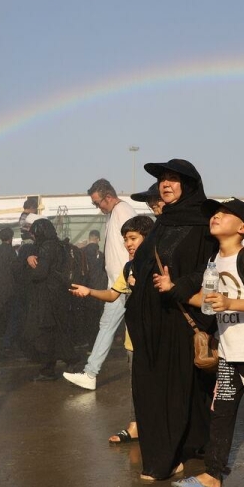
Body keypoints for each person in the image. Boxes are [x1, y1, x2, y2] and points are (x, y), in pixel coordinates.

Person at [171, 198, 244, 487]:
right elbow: (209, 302)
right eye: (215, 214)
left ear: (243, 227)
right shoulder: (213, 261)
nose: (216, 217)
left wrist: (230, 302)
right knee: (220, 414)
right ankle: (213, 474)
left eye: (224, 214)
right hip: (228, 353)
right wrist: (174, 290)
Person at [126, 158, 218, 480]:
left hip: (180, 318)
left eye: (172, 180)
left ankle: (166, 458)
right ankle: (186, 445)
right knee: (151, 387)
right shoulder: (163, 223)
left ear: (189, 185)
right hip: (150, 319)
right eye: (162, 179)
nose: (165, 184)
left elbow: (208, 268)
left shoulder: (203, 222)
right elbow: (140, 261)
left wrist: (177, 285)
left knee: (174, 389)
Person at [70, 215, 154, 443]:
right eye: (125, 239)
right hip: (133, 341)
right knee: (136, 388)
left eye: (133, 238)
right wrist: (90, 291)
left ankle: (163, 431)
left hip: (158, 341)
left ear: (149, 238)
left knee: (158, 388)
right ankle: (135, 427)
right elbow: (112, 295)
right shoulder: (128, 268)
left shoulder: (161, 267)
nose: (128, 244)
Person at [64, 179, 137, 390]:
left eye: (97, 203)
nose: (97, 207)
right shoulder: (114, 214)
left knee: (112, 327)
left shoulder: (123, 212)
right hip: (118, 283)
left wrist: (130, 277)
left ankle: (91, 373)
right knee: (108, 326)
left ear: (108, 197)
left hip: (125, 283)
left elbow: (135, 244)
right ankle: (90, 372)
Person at [21, 218, 80, 380]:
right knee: (56, 331)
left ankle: (51, 368)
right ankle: (65, 361)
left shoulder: (46, 247)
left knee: (45, 332)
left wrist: (29, 265)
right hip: (58, 294)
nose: (32, 237)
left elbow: (40, 272)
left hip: (47, 297)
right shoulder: (59, 245)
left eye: (34, 233)